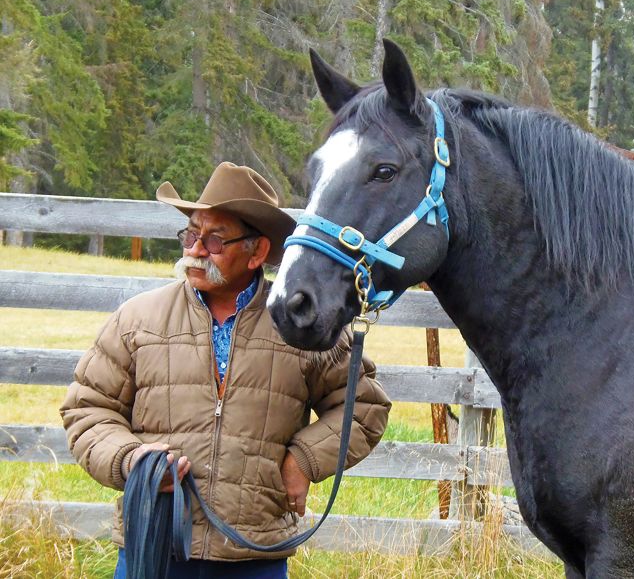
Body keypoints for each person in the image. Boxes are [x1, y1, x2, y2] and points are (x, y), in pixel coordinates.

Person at [60, 162, 391, 579]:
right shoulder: (137, 319)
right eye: (191, 235)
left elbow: (364, 408)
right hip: (153, 543)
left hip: (255, 554)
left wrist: (304, 460)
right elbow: (87, 410)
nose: (196, 250)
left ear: (258, 253)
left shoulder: (298, 324)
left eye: (215, 240)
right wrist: (131, 461)